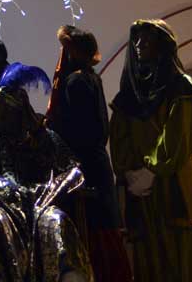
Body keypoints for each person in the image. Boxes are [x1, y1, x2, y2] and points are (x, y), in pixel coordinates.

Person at [0, 62, 93, 282]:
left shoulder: (43, 137)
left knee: (56, 221)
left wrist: (48, 192)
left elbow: (74, 171)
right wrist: (3, 187)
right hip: (1, 207)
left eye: (5, 109)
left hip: (39, 207)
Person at [109, 20, 192, 282]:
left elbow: (179, 132)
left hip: (177, 187)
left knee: (186, 260)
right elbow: (119, 136)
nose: (138, 46)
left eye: (146, 40)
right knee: (150, 262)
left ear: (162, 45)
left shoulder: (182, 86)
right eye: (136, 41)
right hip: (142, 196)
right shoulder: (128, 97)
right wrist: (129, 173)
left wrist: (153, 170)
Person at [46, 25, 133, 282]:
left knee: (92, 236)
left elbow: (79, 129)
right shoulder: (88, 78)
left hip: (85, 169)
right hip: (93, 165)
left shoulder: (77, 81)